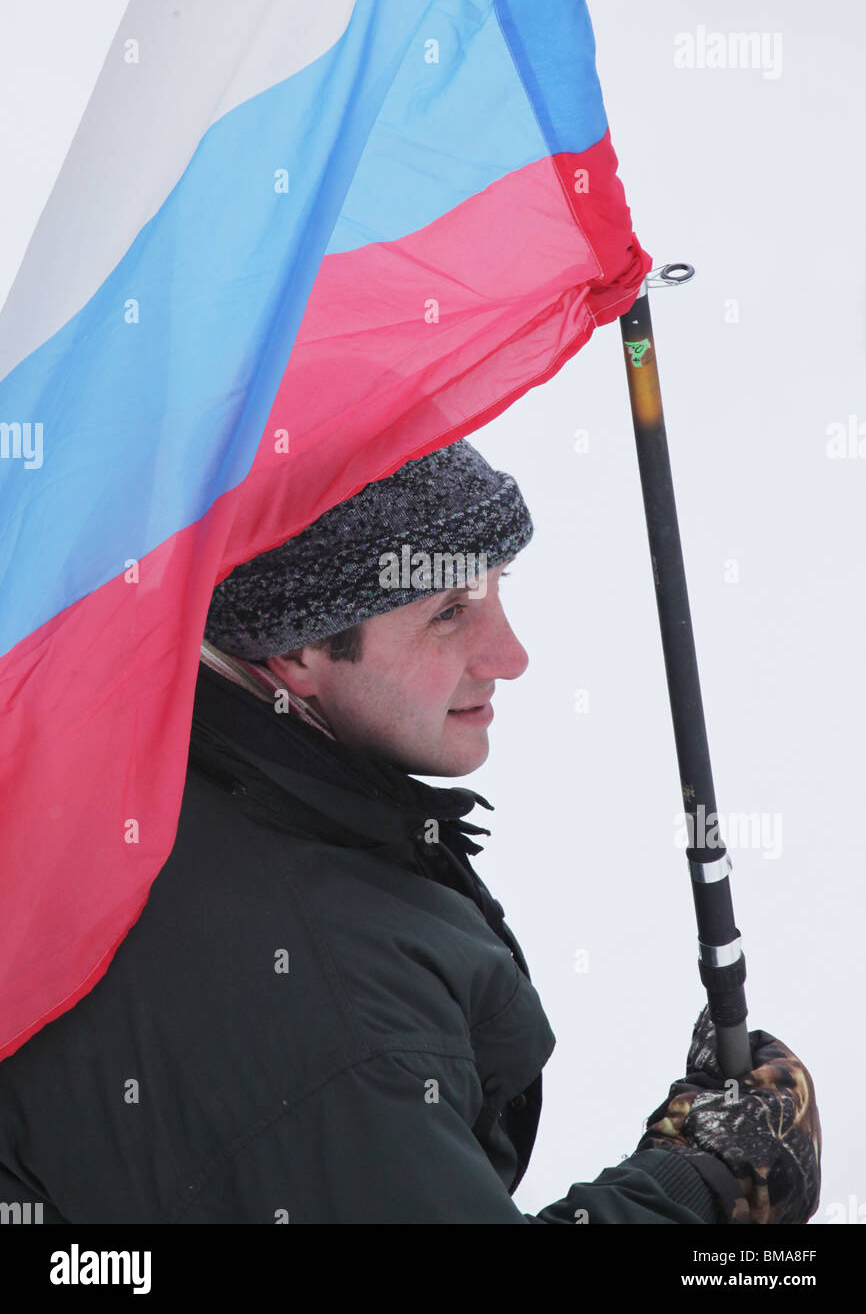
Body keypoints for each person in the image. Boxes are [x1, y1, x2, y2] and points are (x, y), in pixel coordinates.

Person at [0, 440, 820, 1223]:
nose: (511, 654)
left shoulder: (157, 758)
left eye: (500, 586)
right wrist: (706, 1186)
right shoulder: (335, 1024)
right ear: (295, 656)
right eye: (449, 612)